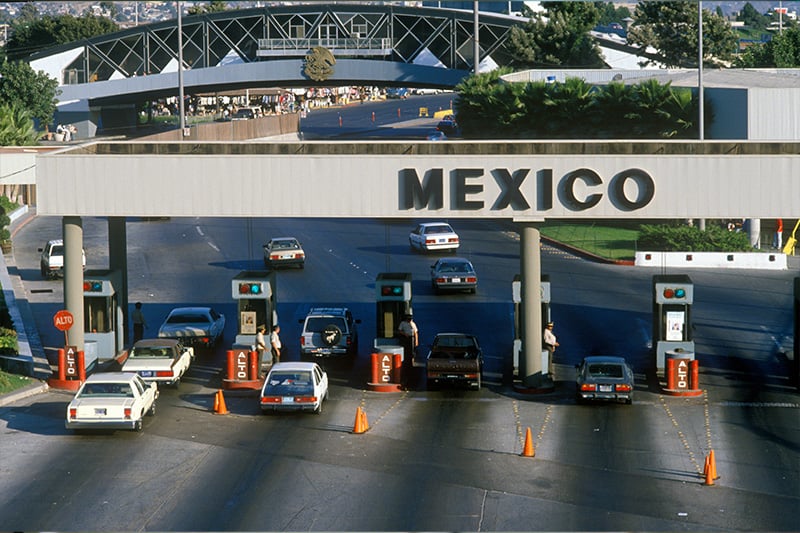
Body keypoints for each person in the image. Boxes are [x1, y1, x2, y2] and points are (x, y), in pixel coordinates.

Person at [397, 313, 418, 386]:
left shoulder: (413, 324)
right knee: (406, 350)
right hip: (406, 337)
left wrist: (416, 341)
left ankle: (411, 359)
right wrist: (404, 334)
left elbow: (415, 332)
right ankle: (406, 359)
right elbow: (399, 330)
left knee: (412, 350)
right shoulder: (403, 323)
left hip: (411, 337)